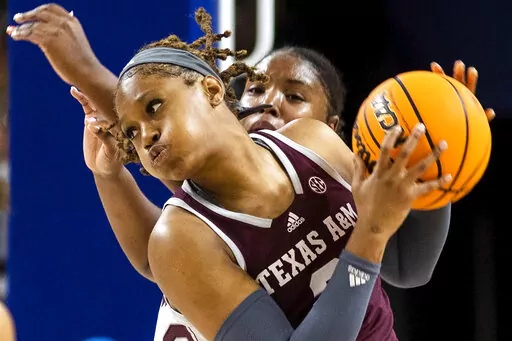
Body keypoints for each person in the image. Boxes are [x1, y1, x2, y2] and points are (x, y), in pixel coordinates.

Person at [6, 4, 492, 340]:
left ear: (213, 92)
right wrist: (369, 234)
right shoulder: (181, 239)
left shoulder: (312, 143)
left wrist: (437, 163)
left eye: (155, 109)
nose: (144, 135)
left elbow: (409, 266)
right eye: (131, 133)